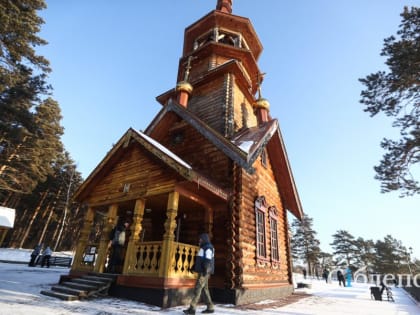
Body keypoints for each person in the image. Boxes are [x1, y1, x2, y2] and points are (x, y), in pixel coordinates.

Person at [183, 233, 215, 314]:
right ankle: (210, 307)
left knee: (198, 289)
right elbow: (200, 260)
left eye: (201, 239)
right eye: (199, 239)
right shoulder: (203, 247)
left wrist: (206, 270)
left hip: (204, 272)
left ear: (204, 239)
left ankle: (192, 308)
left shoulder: (208, 248)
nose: (199, 240)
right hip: (202, 271)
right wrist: (194, 267)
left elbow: (208, 260)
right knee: (205, 289)